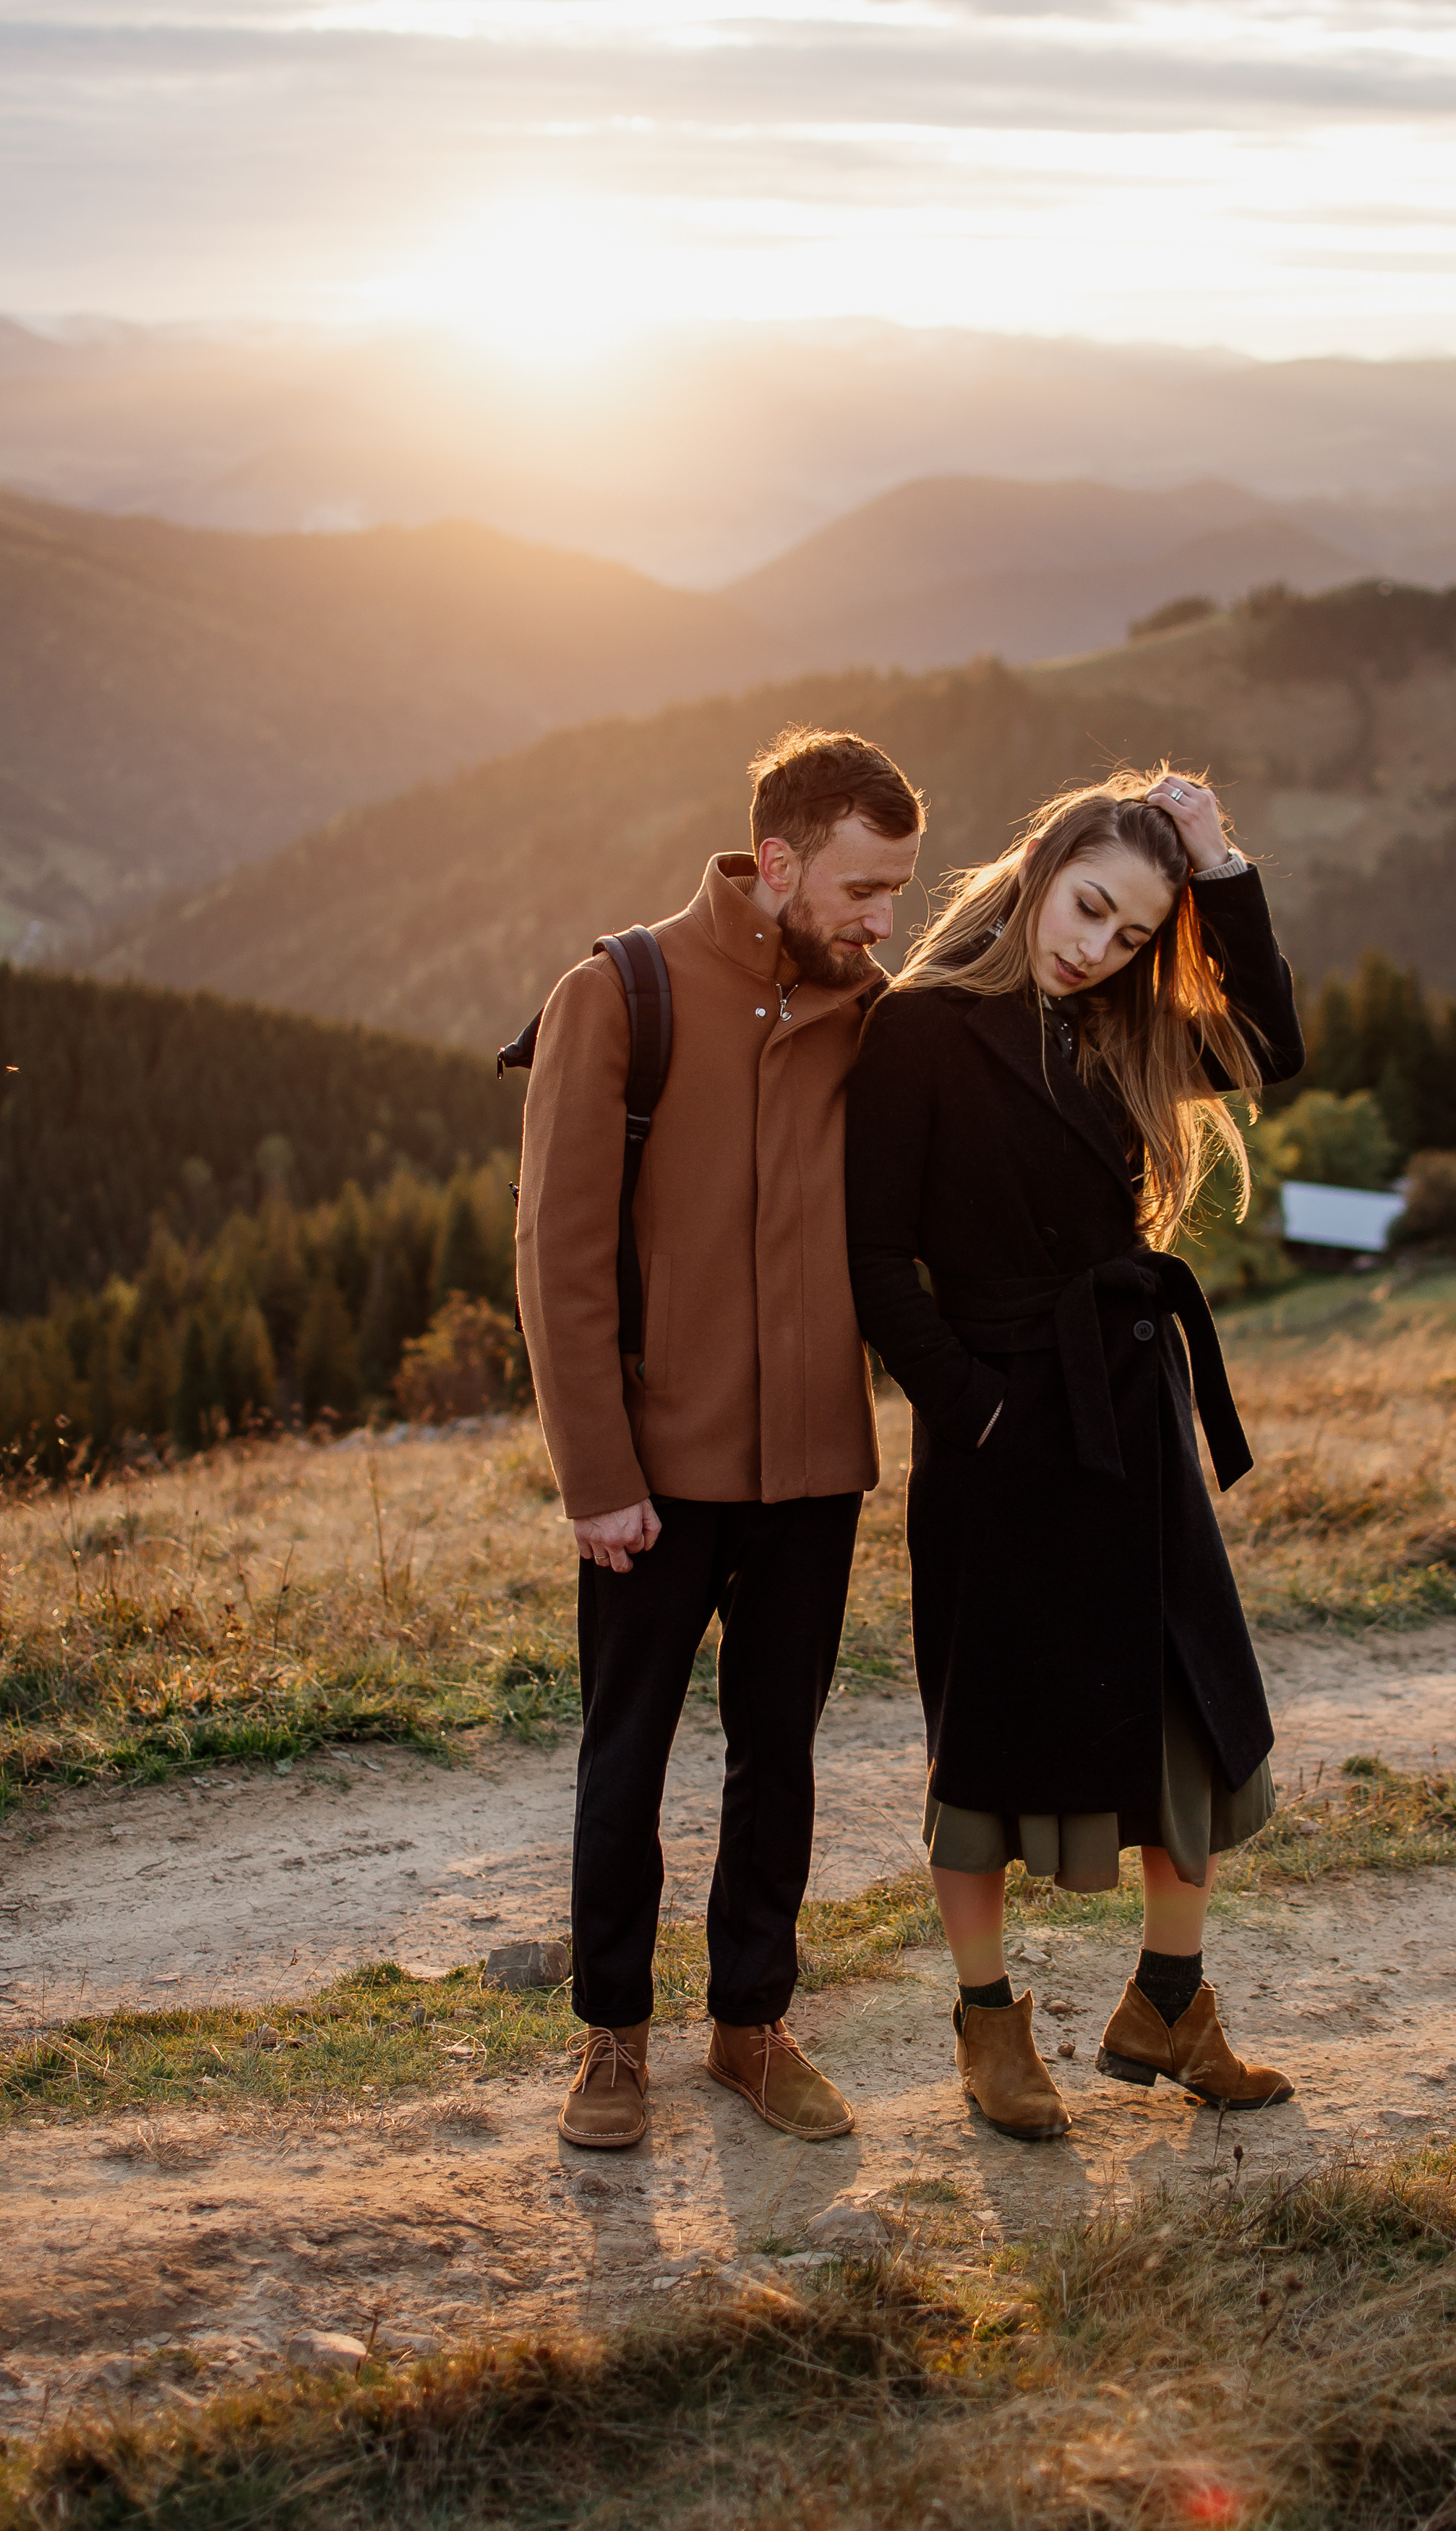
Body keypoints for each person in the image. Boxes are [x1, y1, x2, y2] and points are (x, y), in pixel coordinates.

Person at [844, 769, 1303, 2140]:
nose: (1093, 946)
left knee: (1186, 1711)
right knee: (984, 1732)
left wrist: (1220, 867)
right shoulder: (916, 1029)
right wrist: (971, 1406)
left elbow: (1269, 1044)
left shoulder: (1133, 1026)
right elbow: (874, 1258)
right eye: (1087, 907)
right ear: (1040, 865)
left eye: (1126, 934)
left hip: (1130, 1406)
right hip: (995, 1422)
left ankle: (1169, 2002)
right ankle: (989, 2031)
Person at [517, 725, 924, 2153]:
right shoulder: (618, 993)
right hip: (654, 1475)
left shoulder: (872, 1012)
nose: (883, 924)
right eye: (864, 891)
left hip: (816, 1465)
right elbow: (558, 1256)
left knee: (780, 1755)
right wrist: (598, 1479)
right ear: (778, 861)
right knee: (624, 1757)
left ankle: (751, 2028)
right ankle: (611, 2044)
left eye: (900, 896)